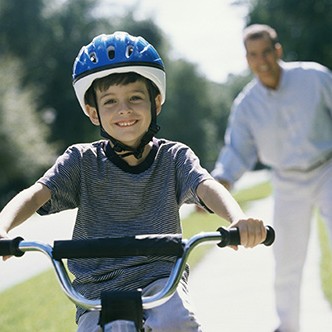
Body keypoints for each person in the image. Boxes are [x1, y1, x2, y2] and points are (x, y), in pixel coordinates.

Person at [0, 31, 267, 332]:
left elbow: (207, 186)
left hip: (161, 281)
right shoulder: (81, 161)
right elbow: (35, 195)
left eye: (135, 98)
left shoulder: (174, 158)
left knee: (177, 323)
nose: (124, 109)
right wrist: (3, 227)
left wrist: (238, 219)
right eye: (110, 101)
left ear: (156, 102)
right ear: (93, 112)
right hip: (94, 292)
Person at [212, 24, 332, 332]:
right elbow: (236, 151)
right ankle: (288, 326)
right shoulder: (247, 105)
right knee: (287, 260)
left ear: (277, 51)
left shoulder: (314, 77)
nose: (261, 60)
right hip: (287, 181)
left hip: (327, 169)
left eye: (266, 51)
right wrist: (219, 183)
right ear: (247, 59)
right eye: (253, 55)